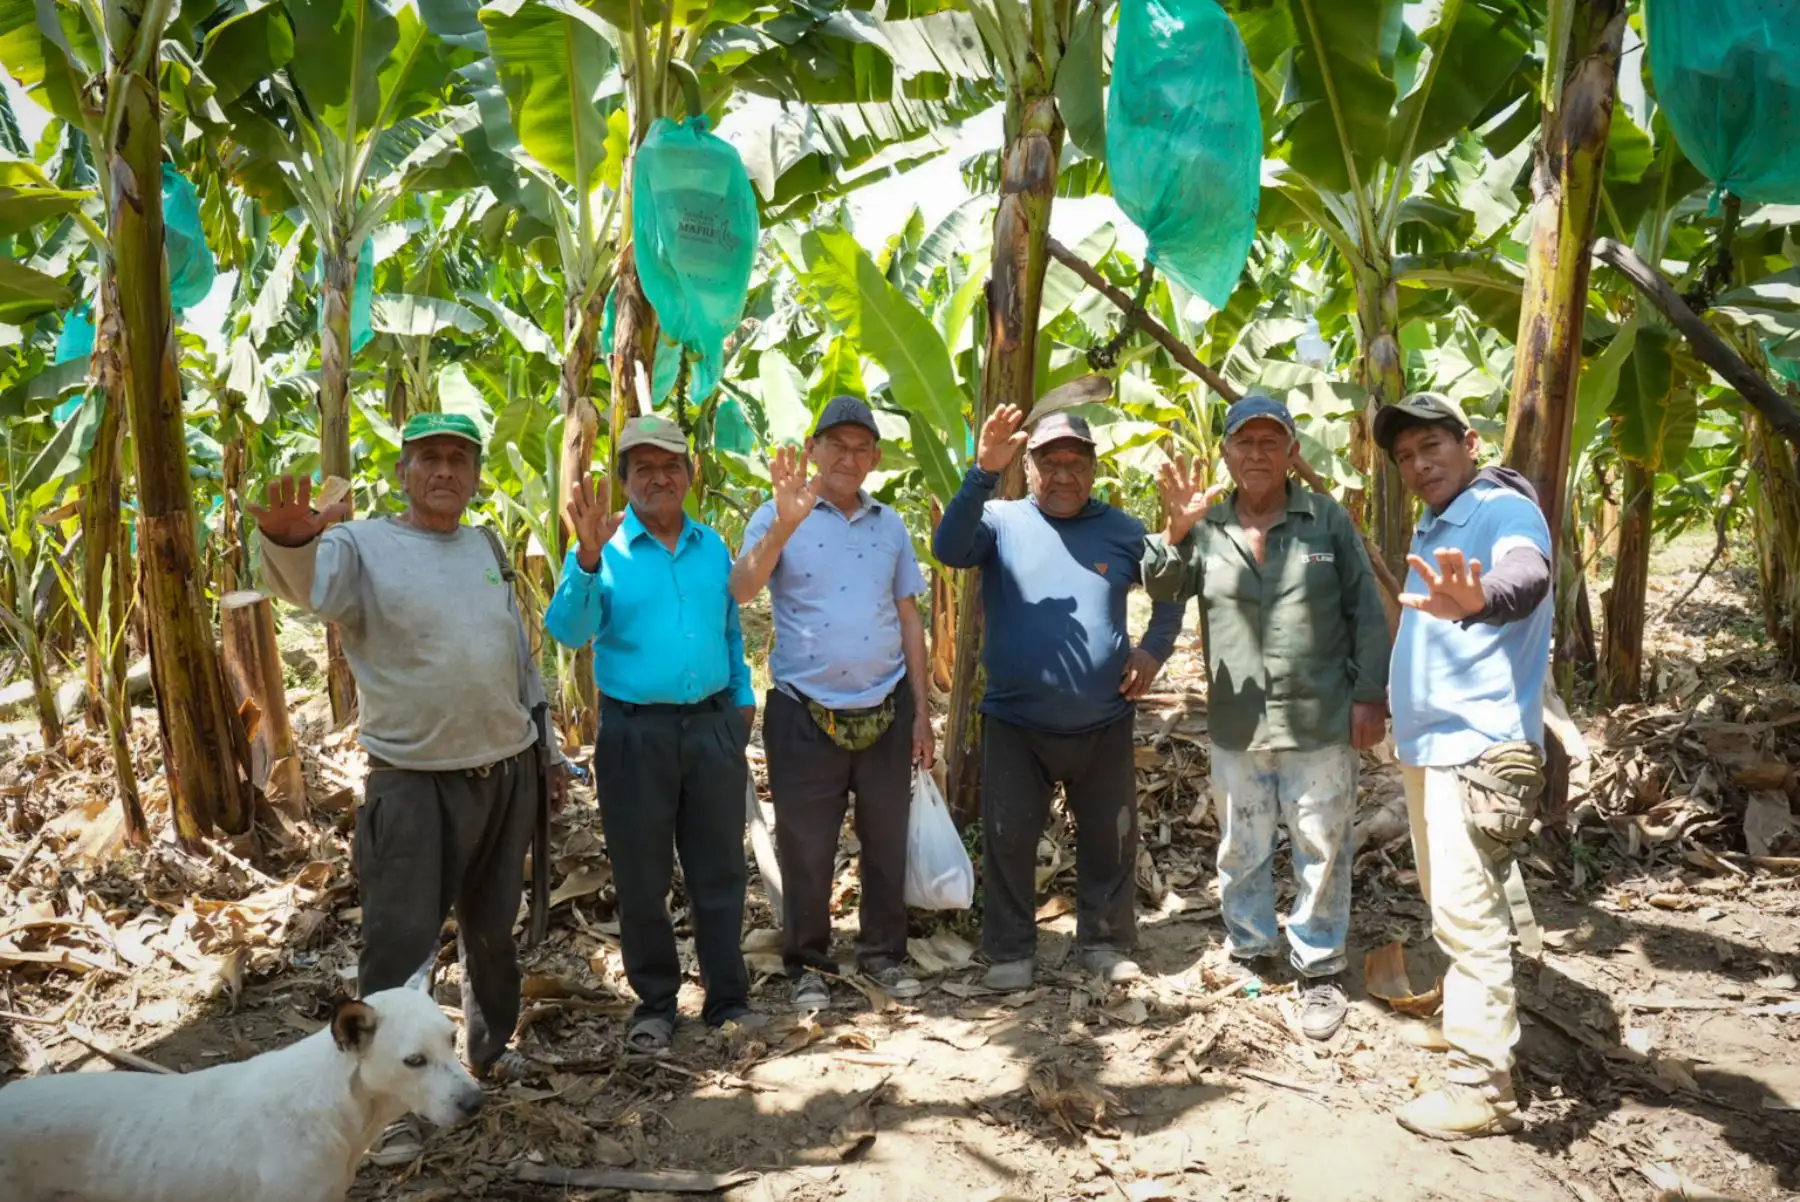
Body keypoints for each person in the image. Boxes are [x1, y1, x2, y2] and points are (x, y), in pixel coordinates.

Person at [254, 412, 563, 1166]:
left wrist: (546, 747)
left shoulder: (486, 544)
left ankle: (489, 1052)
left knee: (495, 926)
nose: (445, 471)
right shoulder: (363, 544)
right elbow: (310, 592)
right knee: (400, 940)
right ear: (404, 472)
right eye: (429, 458)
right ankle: (383, 1102)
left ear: (476, 473)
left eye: (460, 458)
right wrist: (292, 540)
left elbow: (515, 650)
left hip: (506, 764)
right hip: (414, 780)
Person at [1142, 394, 1390, 1041]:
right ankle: (1251, 949)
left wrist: (1370, 696)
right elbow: (1163, 586)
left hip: (1320, 718)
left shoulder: (1325, 521)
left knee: (1321, 844)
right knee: (1242, 844)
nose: (1256, 454)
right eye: (1243, 442)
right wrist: (1172, 529)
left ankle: (1319, 965)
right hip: (1237, 723)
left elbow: (1366, 611)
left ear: (1291, 453)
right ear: (1225, 453)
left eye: (1269, 442)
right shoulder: (1205, 526)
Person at [933, 406, 1182, 989]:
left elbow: (1171, 588)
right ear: (1029, 465)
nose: (1064, 473)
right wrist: (981, 472)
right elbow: (949, 549)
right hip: (1018, 722)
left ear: (1094, 468)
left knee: (1110, 838)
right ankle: (1012, 951)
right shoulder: (998, 519)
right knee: (1010, 838)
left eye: (1076, 461)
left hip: (1103, 721)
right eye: (1050, 461)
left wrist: (1153, 652)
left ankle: (1105, 941)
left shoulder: (1122, 530)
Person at [545, 415, 759, 1052]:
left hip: (714, 726)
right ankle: (657, 1003)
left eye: (671, 466)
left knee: (719, 868)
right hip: (635, 734)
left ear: (689, 476)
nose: (659, 478)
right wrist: (584, 560)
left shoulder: (712, 546)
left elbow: (730, 631)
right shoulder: (601, 551)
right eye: (643, 469)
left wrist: (741, 703)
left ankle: (727, 999)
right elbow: (569, 631)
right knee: (641, 872)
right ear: (626, 481)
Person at [1373, 391, 1554, 1140]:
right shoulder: (1441, 518)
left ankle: (1482, 1088)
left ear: (1470, 443)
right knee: (1457, 906)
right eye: (1406, 457)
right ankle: (1476, 1041)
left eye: (1431, 449)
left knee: (1469, 915)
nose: (1418, 466)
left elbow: (1526, 573)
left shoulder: (1499, 507)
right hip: (1439, 750)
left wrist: (1482, 599)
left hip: (1474, 750)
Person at [730, 397, 933, 1009]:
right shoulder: (777, 513)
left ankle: (883, 957)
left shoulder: (889, 525)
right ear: (813, 448)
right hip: (804, 711)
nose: (848, 457)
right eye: (836, 445)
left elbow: (908, 616)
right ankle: (810, 965)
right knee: (807, 846)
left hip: (886, 707)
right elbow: (740, 589)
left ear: (873, 457)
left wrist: (923, 711)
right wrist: (786, 525)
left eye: (860, 447)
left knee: (885, 840)